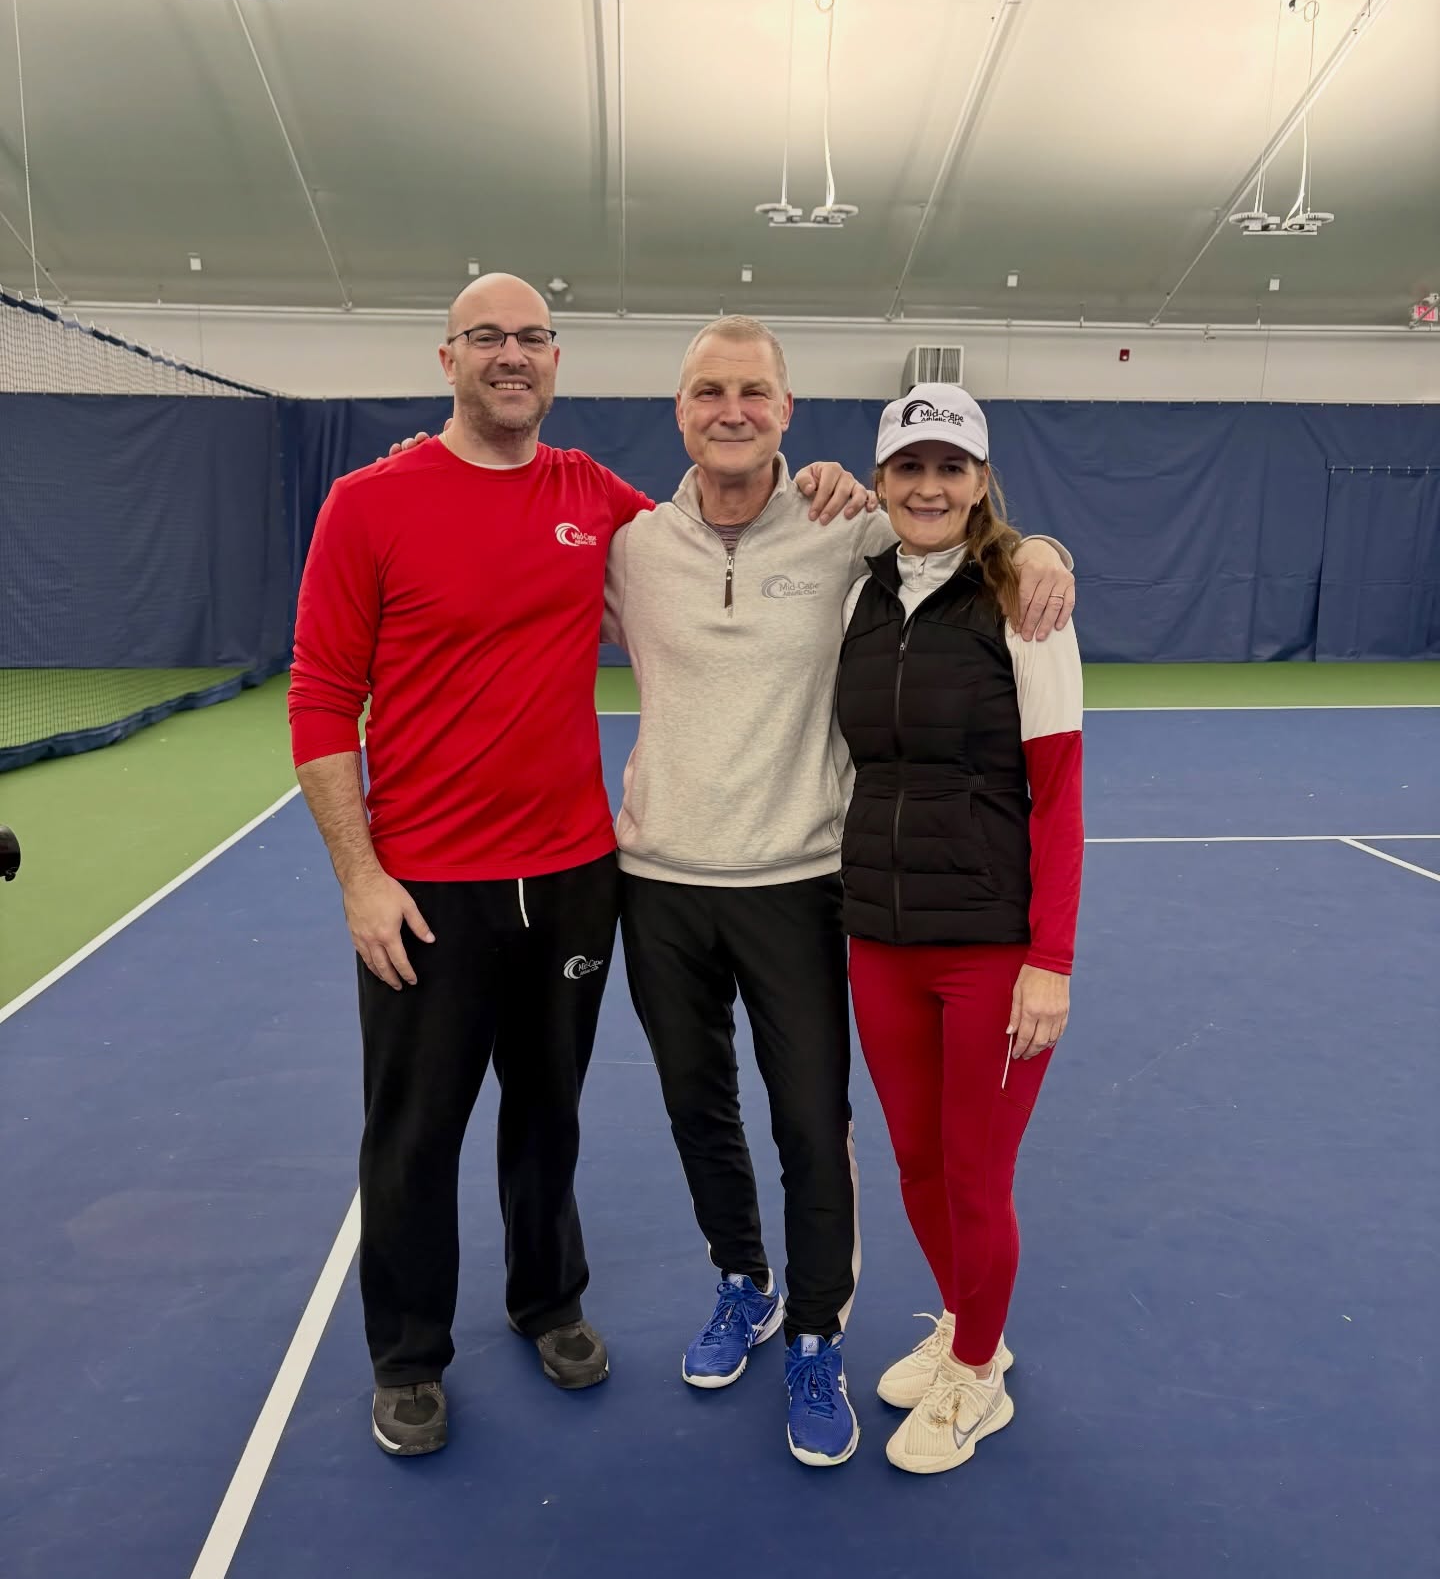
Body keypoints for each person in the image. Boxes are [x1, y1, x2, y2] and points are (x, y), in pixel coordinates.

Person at [289, 275, 868, 1459]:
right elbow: (317, 703)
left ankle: (548, 1305)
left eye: (532, 339)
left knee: (548, 1120)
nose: (512, 356)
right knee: (413, 1134)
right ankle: (408, 1356)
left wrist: (848, 485)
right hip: (427, 889)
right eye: (488, 338)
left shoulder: (597, 503)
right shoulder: (367, 501)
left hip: (573, 874)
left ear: (558, 362)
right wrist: (360, 879)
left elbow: (749, 525)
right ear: (447, 354)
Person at [604, 323, 1076, 1467]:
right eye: (708, 390)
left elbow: (1052, 768)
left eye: (752, 390)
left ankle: (840, 1338)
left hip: (828, 894)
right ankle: (765, 1291)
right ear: (678, 410)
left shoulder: (893, 549)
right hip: (690, 889)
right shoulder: (637, 543)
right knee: (722, 1118)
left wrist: (1047, 547)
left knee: (842, 1134)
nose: (730, 408)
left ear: (787, 407)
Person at [836, 384, 1084, 1476]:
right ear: (883, 480)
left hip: (989, 950)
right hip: (878, 938)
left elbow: (1060, 794)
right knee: (917, 1167)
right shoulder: (862, 587)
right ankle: (963, 1325)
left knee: (977, 1180)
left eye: (951, 468)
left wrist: (1051, 963)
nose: (928, 488)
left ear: (982, 482)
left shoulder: (1024, 601)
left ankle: (978, 1376)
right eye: (909, 468)